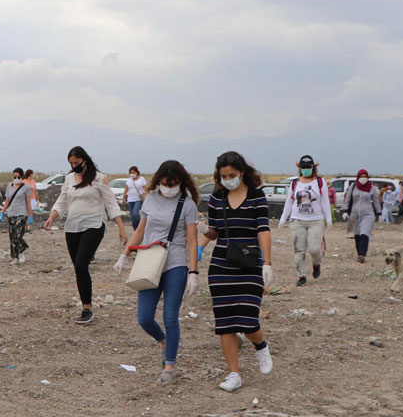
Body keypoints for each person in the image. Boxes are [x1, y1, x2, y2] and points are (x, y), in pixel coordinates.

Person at [114, 160, 199, 384]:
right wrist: (125, 254)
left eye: (173, 184)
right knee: (144, 318)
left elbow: (192, 240)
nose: (168, 188)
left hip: (176, 263)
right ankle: (163, 341)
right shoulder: (150, 199)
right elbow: (140, 231)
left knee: (170, 317)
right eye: (164, 183)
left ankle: (169, 366)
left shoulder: (187, 205)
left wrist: (193, 271)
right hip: (149, 262)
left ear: (181, 182)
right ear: (158, 181)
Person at [199, 151, 274, 392]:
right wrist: (198, 248)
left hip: (250, 262)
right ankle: (234, 373)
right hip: (221, 264)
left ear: (241, 172)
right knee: (226, 322)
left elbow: (263, 229)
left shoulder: (256, 196)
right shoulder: (217, 197)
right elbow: (214, 231)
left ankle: (260, 345)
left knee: (249, 319)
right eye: (224, 176)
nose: (228, 179)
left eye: (232, 175)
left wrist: (267, 263)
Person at [43, 146, 127, 325]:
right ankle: (86, 305)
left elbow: (111, 204)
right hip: (72, 226)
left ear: (85, 160)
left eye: (76, 163)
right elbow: (62, 200)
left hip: (94, 225)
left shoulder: (99, 178)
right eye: (71, 164)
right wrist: (52, 216)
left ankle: (87, 308)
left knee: (82, 263)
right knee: (78, 268)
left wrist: (121, 227)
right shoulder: (69, 179)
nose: (74, 166)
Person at [278, 154, 331, 286]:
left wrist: (328, 219)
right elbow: (289, 202)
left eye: (308, 167)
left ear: (313, 167)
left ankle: (316, 264)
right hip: (297, 220)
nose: (306, 169)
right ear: (299, 168)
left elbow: (325, 201)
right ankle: (301, 275)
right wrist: (283, 219)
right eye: (303, 167)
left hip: (316, 220)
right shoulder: (295, 183)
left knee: (314, 249)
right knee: (299, 250)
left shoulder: (319, 182)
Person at [343, 169, 382, 263]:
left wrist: (379, 213)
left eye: (365, 177)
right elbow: (347, 199)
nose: (363, 178)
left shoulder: (372, 188)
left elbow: (376, 201)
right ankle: (359, 253)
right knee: (357, 234)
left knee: (364, 233)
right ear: (358, 177)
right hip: (355, 214)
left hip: (368, 213)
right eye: (361, 177)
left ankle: (362, 254)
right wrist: (345, 211)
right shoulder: (353, 186)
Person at [2, 167, 32, 264]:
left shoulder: (26, 187)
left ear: (22, 176)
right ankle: (15, 257)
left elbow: (28, 203)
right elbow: (7, 201)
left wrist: (30, 216)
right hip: (11, 213)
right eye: (15, 176)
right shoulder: (9, 187)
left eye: (18, 176)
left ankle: (22, 251)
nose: (16, 178)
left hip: (22, 213)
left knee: (18, 234)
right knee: (12, 236)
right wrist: (2, 212)